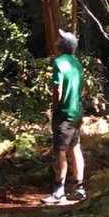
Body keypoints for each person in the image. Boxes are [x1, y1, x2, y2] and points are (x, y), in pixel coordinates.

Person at [43, 29, 85, 204]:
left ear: (64, 45)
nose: (57, 40)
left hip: (64, 113)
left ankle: (59, 191)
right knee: (75, 147)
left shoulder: (59, 62)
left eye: (60, 39)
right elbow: (82, 89)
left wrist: (54, 109)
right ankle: (79, 187)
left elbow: (57, 90)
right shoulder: (76, 63)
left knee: (59, 151)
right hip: (76, 112)